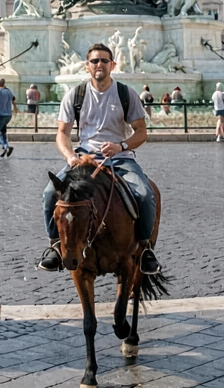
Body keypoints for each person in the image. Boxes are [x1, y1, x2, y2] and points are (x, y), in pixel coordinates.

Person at [38, 43, 161, 275]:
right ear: (87, 66)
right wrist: (71, 157)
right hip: (83, 159)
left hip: (121, 158)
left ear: (112, 65)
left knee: (145, 194)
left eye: (104, 60)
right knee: (48, 195)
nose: (99, 65)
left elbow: (141, 132)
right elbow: (62, 133)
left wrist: (120, 146)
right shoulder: (76, 95)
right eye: (95, 61)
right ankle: (54, 245)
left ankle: (145, 249)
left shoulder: (126, 94)